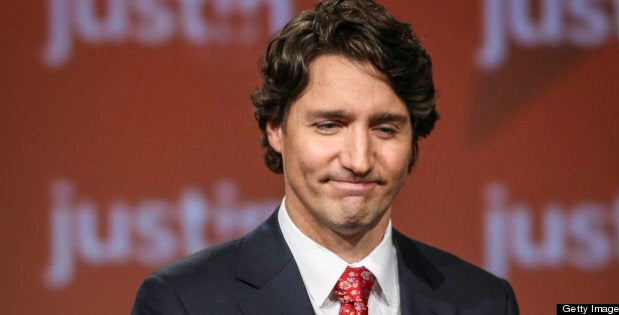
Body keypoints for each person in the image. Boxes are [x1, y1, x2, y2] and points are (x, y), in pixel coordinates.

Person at [131, 0, 519, 314]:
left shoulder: (483, 301)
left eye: (385, 129)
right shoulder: (183, 302)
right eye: (330, 125)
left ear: (414, 138)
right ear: (275, 129)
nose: (359, 159)